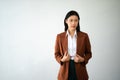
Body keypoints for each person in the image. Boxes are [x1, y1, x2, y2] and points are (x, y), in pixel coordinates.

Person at [54, 10, 92, 80]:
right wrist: (62, 59)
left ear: (78, 22)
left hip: (80, 70)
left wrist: (82, 59)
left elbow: (89, 53)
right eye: (71, 20)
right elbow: (56, 54)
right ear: (66, 21)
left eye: (76, 20)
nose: (73, 23)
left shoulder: (84, 36)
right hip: (65, 70)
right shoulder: (59, 37)